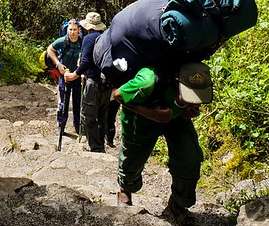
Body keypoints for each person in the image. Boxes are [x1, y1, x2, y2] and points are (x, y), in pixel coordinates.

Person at [112, 62, 213, 226]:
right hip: (141, 118)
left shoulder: (197, 75)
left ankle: (177, 203)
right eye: (190, 97)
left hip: (177, 118)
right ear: (177, 83)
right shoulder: (147, 81)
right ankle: (126, 190)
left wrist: (186, 108)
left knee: (190, 156)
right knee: (133, 157)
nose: (195, 103)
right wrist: (151, 114)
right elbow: (117, 94)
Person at [66, 11, 110, 152]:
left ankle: (96, 148)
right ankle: (101, 144)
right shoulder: (107, 36)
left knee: (88, 115)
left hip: (93, 82)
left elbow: (85, 61)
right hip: (107, 82)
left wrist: (74, 74)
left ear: (87, 26)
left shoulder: (88, 39)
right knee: (102, 115)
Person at [46, 18, 83, 134]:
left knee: (78, 102)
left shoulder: (83, 42)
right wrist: (58, 64)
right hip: (64, 75)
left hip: (77, 76)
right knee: (63, 103)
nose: (72, 32)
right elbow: (50, 49)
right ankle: (61, 126)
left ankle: (78, 126)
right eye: (70, 29)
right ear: (67, 30)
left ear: (79, 30)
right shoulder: (62, 41)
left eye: (74, 30)